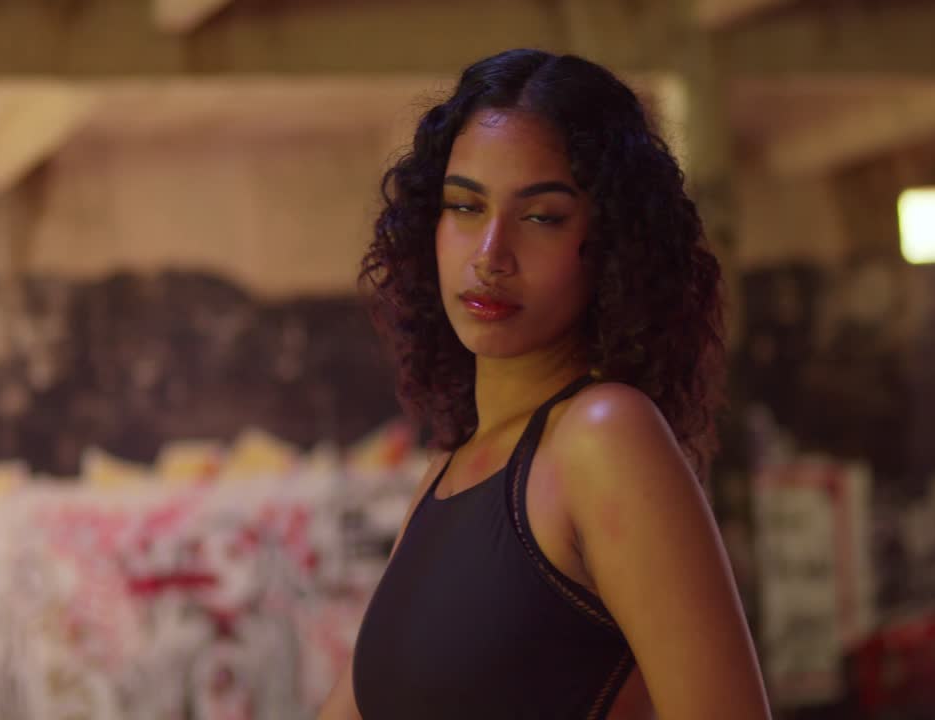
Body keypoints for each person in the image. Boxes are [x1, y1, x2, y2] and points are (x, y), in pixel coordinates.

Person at [318, 48, 770, 720]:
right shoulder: (446, 474)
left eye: (541, 217)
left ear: (612, 245)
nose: (491, 254)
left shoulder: (604, 436)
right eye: (465, 206)